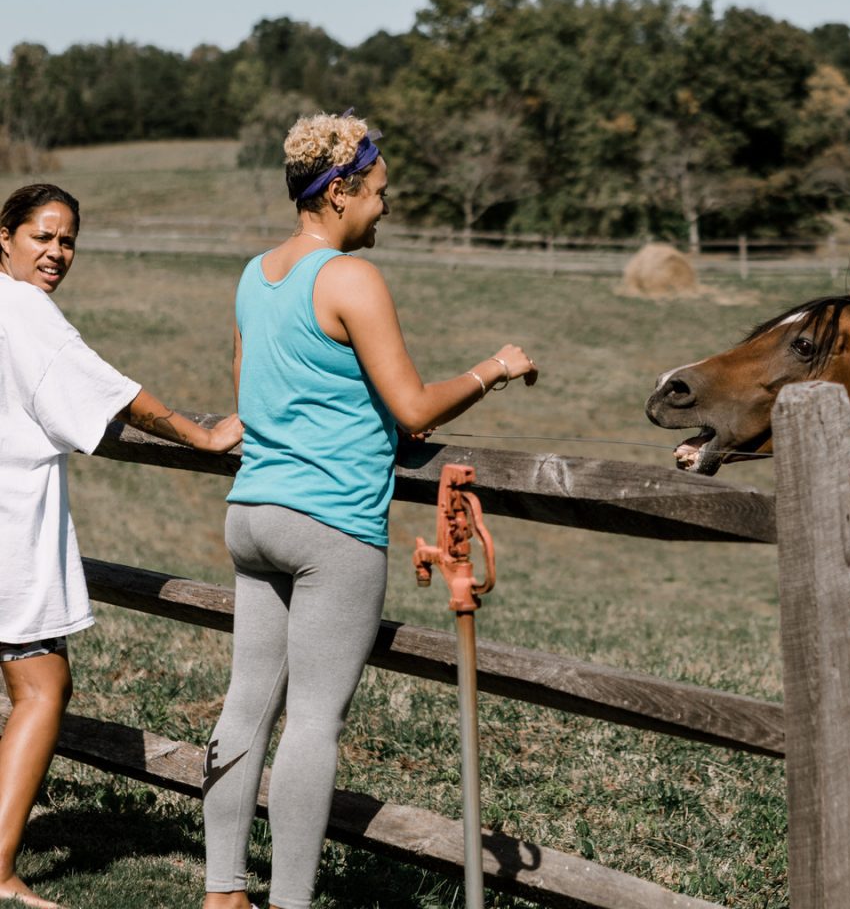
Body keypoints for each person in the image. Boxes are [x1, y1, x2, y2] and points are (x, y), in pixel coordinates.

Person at [201, 111, 538, 909]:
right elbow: (415, 406)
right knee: (314, 721)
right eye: (379, 192)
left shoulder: (255, 274)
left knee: (246, 703)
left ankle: (222, 893)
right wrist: (493, 368)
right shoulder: (351, 278)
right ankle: (289, 902)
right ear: (339, 193)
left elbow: (254, 391)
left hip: (254, 514)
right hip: (330, 525)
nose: (386, 207)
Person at [0, 183, 243, 909]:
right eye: (42, 236)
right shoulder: (26, 313)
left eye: (68, 240)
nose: (57, 253)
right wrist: (201, 434)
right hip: (9, 525)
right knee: (42, 688)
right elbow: (113, 394)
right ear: (4, 237)